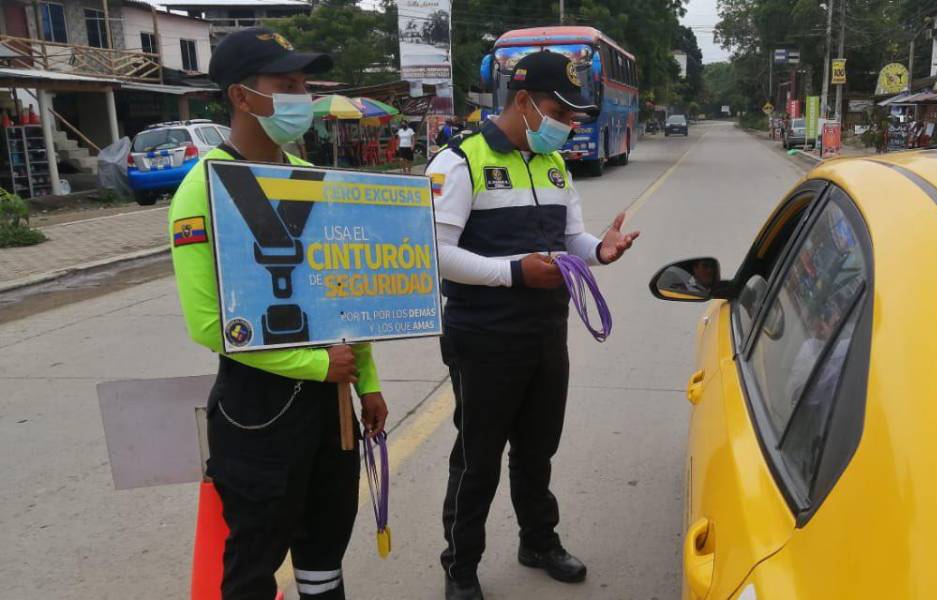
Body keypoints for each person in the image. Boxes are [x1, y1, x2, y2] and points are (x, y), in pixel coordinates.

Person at [167, 27, 388, 600]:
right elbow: (210, 323)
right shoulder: (203, 189)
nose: (302, 98)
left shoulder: (312, 181)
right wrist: (316, 366)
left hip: (333, 406)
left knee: (324, 553)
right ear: (242, 97)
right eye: (286, 85)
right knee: (253, 561)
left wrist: (367, 382)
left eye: (304, 85)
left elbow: (343, 296)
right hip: (257, 410)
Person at [425, 50, 639, 600]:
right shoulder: (459, 163)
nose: (567, 125)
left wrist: (602, 251)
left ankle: (538, 542)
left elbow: (571, 241)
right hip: (483, 335)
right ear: (521, 101)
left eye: (573, 115)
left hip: (546, 329)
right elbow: (435, 254)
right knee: (477, 458)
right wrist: (514, 274)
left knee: (537, 447)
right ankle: (461, 564)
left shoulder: (554, 164)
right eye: (558, 111)